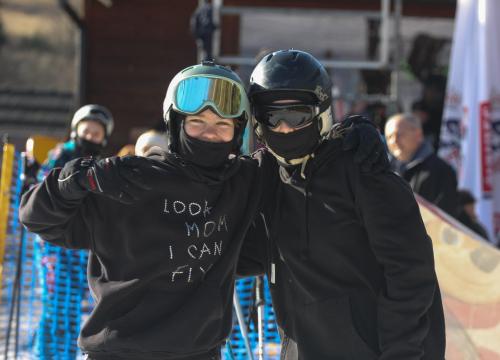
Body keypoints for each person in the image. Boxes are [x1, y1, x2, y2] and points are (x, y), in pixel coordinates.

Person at [20, 59, 385, 359]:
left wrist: (344, 137)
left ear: (237, 131)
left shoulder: (245, 179)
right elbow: (37, 218)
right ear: (177, 124)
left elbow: (298, 157)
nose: (210, 133)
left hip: (200, 353)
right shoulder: (132, 180)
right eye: (197, 123)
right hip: (120, 352)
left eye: (222, 125)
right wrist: (74, 181)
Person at [238, 49, 446, 359]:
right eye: (272, 116)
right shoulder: (265, 180)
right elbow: (239, 253)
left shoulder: (363, 173)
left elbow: (410, 274)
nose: (283, 128)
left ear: (320, 113)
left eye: (297, 116)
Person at [33, 104, 114, 359]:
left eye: (96, 133)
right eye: (86, 130)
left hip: (82, 248)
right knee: (57, 307)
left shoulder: (100, 164)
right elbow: (42, 189)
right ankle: (49, 355)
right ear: (75, 130)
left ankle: (63, 354)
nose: (90, 136)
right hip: (55, 247)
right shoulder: (61, 155)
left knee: (70, 308)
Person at [385, 112, 458, 216]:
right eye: (389, 137)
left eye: (399, 134)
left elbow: (443, 218)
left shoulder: (440, 170)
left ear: (418, 135)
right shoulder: (386, 171)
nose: (394, 141)